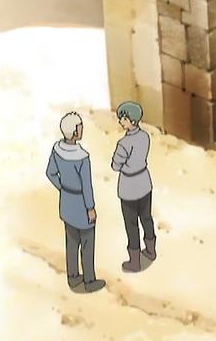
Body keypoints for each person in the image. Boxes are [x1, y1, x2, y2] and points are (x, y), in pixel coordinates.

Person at [45, 112, 105, 293]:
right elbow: (87, 186)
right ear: (74, 131)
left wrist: (63, 188)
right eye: (80, 126)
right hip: (81, 204)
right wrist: (90, 208)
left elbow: (50, 173)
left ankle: (72, 277)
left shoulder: (57, 150)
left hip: (66, 202)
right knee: (87, 243)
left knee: (71, 242)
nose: (82, 129)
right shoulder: (82, 157)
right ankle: (89, 280)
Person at [111, 101, 157, 272]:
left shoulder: (123, 144)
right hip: (144, 182)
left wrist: (125, 165)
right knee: (146, 218)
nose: (121, 122)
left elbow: (115, 165)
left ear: (131, 120)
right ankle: (151, 250)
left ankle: (135, 261)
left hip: (129, 188)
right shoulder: (145, 137)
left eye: (123, 119)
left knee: (131, 225)